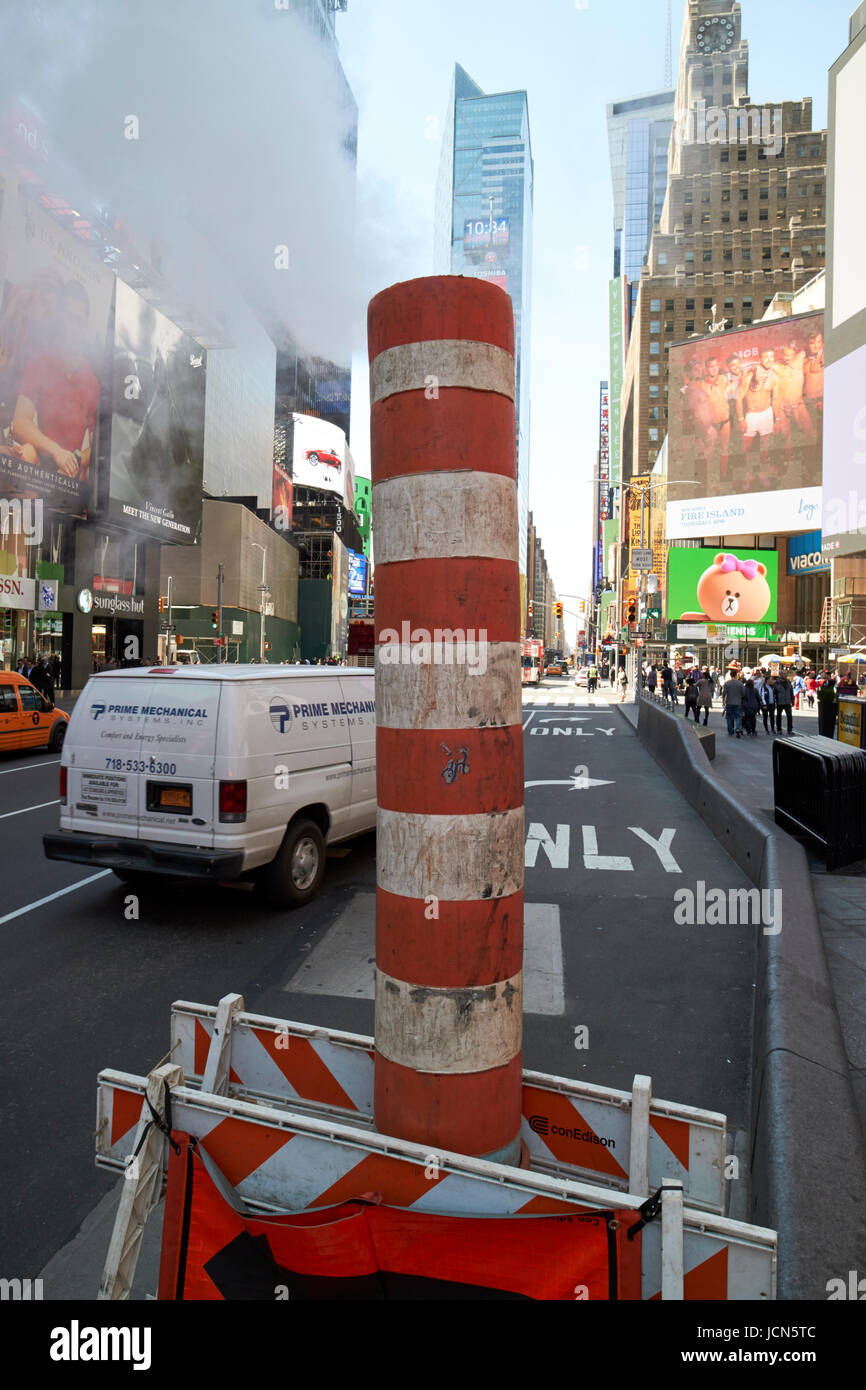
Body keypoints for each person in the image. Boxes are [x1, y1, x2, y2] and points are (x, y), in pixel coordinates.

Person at [722, 666, 745, 738]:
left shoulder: (727, 683)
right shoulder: (740, 683)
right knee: (737, 717)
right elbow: (743, 693)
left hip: (729, 702)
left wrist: (723, 702)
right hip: (738, 702)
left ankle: (730, 730)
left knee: (729, 717)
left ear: (730, 675)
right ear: (736, 675)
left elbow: (724, 693)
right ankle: (737, 728)